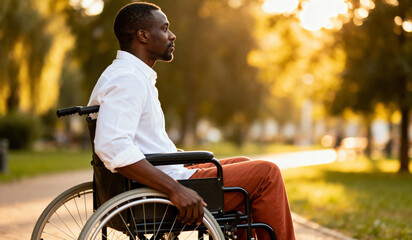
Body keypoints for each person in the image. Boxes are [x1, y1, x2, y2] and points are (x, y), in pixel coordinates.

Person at [88, 2, 295, 240]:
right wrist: (176, 190)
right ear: (143, 35)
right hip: (161, 186)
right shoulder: (128, 79)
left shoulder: (129, 75)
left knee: (244, 163)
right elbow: (113, 146)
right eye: (165, 28)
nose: (172, 35)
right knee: (268, 174)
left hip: (163, 173)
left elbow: (136, 142)